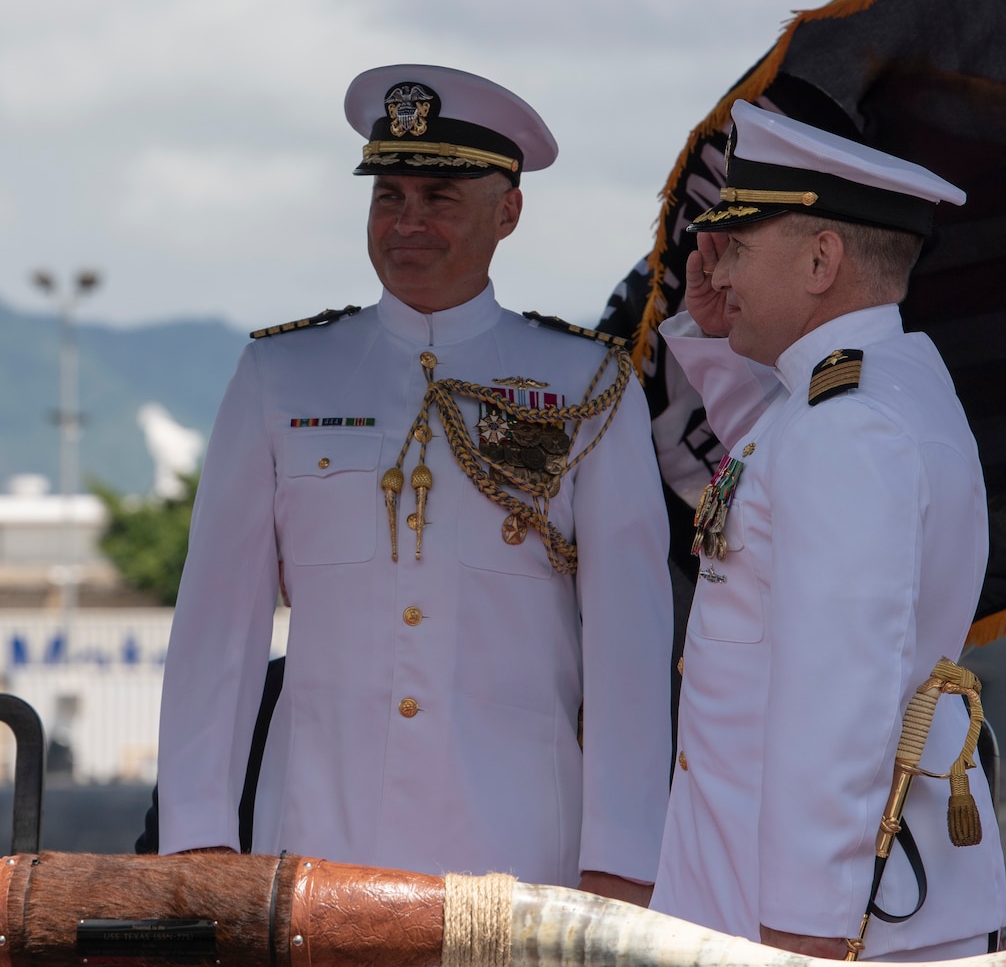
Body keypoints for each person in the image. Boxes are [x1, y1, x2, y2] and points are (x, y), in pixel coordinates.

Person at [156, 65, 673, 897]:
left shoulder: (585, 383)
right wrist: (197, 837)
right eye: (388, 196)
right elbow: (217, 626)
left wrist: (622, 856)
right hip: (320, 836)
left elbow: (630, 644)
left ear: (507, 211)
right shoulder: (282, 375)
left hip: (520, 844)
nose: (408, 223)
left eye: (439, 198)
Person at [651, 99, 1006, 959]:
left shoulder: (845, 429)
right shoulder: (869, 396)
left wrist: (800, 939)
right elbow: (769, 469)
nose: (718, 267)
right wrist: (712, 332)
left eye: (736, 245)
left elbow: (840, 710)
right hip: (804, 900)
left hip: (800, 922)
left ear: (820, 258)